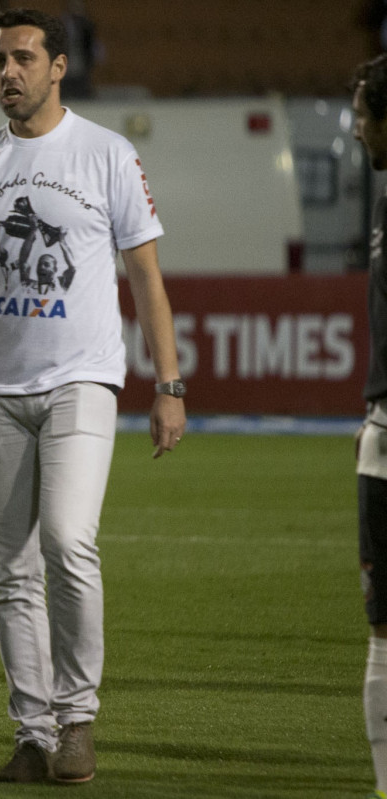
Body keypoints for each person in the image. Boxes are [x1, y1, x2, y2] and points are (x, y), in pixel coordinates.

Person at [0, 8, 185, 785]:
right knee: (11, 568)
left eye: (24, 58)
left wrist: (169, 382)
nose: (8, 73)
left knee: (66, 539)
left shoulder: (107, 154)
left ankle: (77, 717)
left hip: (82, 381)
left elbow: (147, 276)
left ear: (60, 66)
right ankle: (32, 731)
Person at [353, 52, 387, 799]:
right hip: (382, 430)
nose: (356, 129)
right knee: (381, 620)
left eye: (363, 113)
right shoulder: (382, 199)